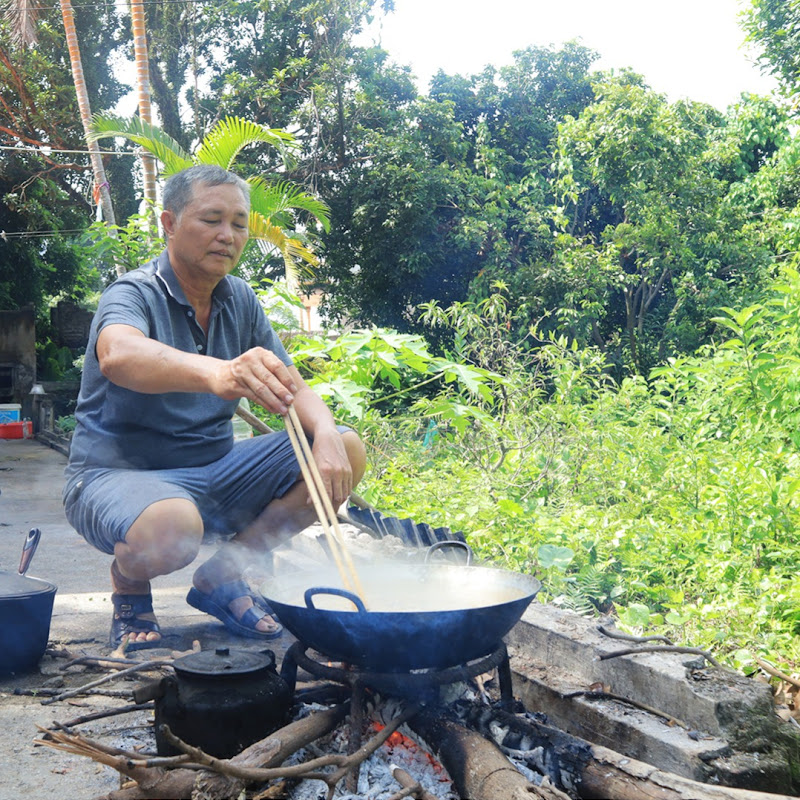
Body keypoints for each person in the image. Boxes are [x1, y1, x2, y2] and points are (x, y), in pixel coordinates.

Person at [63, 164, 366, 650]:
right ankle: (129, 583)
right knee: (172, 527)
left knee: (345, 449)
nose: (228, 235)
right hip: (116, 477)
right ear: (169, 223)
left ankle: (224, 575)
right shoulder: (133, 292)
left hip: (217, 470)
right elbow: (118, 354)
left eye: (239, 224)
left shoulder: (239, 298)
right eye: (211, 219)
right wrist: (218, 373)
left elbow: (294, 387)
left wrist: (327, 435)